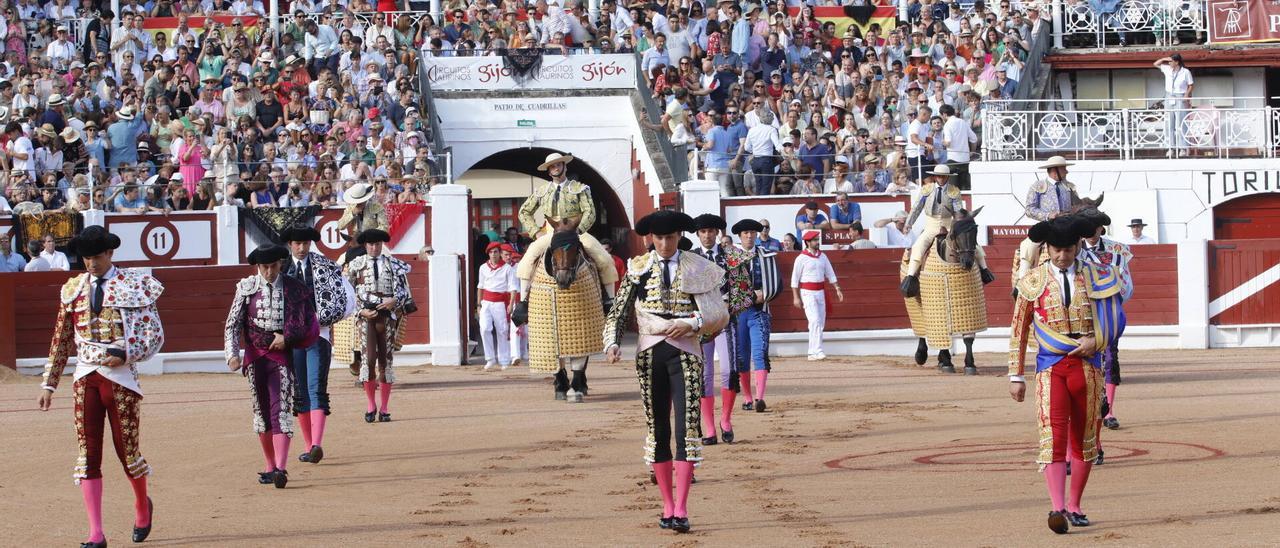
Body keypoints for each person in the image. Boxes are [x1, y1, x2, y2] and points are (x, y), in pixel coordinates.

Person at [603, 210, 729, 534]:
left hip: (685, 353)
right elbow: (618, 310)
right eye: (658, 238)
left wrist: (692, 323)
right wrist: (611, 343)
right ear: (650, 239)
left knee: (686, 426)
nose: (663, 244)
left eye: (669, 238)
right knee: (657, 427)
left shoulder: (698, 267)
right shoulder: (638, 267)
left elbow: (719, 314)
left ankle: (683, 507)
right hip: (649, 355)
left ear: (679, 237)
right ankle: (667, 505)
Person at [38, 226, 164, 546]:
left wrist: (125, 353)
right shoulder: (74, 288)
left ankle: (141, 505)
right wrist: (49, 384)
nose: (91, 263)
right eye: (86, 258)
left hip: (120, 378)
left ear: (110, 254)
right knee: (88, 454)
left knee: (127, 452)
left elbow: (154, 336)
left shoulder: (133, 285)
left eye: (96, 257)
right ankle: (96, 534)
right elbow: (61, 339)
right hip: (85, 376)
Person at [1008, 216, 1126, 534]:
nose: (1063, 256)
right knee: (1053, 437)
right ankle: (1057, 507)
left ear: (1077, 247)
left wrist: (1095, 341)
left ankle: (1075, 505)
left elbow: (1116, 319)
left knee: (1084, 440)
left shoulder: (1100, 276)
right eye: (1057, 250)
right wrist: (1015, 375)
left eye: (1069, 250)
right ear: (1047, 248)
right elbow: (1019, 330)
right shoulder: (1032, 280)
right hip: (1050, 367)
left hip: (1088, 367)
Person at [224, 243, 319, 489]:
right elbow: (233, 324)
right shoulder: (246, 288)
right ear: (258, 267)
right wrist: (232, 354)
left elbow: (308, 323)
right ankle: (269, 465)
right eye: (264, 267)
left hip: (281, 358)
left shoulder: (294, 288)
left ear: (281, 264)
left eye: (273, 266)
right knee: (261, 412)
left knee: (281, 410)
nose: (269, 272)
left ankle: (281, 467)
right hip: (255, 357)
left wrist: (287, 337)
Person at [281, 226, 354, 465]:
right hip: (289, 339)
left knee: (316, 387)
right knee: (300, 390)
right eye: (297, 244)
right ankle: (308, 445)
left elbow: (346, 298)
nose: (302, 249)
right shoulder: (279, 268)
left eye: (306, 244)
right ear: (290, 244)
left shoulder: (325, 266)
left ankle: (316, 444)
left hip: (318, 334)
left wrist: (324, 319)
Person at [690, 214, 753, 445]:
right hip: (701, 323)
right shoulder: (691, 259)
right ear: (697, 234)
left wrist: (730, 307)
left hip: (727, 321)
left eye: (711, 231)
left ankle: (725, 420)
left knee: (728, 371)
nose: (707, 235)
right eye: (703, 231)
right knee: (705, 376)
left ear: (717, 233)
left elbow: (746, 291)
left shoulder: (732, 256)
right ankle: (709, 428)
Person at [346, 229, 412, 423]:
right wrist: (360, 311)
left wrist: (394, 301)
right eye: (371, 244)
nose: (374, 248)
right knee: (368, 360)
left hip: (387, 316)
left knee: (385, 361)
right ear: (365, 246)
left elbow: (404, 291)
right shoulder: (356, 265)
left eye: (378, 244)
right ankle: (370, 404)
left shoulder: (393, 265)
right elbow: (348, 295)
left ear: (382, 245)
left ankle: (384, 408)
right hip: (366, 317)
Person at [1077, 213, 1134, 434]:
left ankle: (1108, 411)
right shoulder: (1073, 250)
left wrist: (1112, 302)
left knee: (1110, 357)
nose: (1092, 231)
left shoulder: (1118, 251)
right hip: (1081, 313)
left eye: (1096, 226)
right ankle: (1087, 411)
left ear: (1102, 228)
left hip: (1108, 312)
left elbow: (1127, 284)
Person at [901, 164, 993, 296]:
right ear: (935, 176)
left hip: (949, 224)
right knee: (917, 247)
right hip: (931, 226)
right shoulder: (926, 190)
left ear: (947, 177)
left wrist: (961, 222)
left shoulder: (954, 191)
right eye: (939, 176)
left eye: (943, 176)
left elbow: (958, 212)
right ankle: (910, 278)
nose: (941, 178)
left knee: (974, 246)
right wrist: (908, 223)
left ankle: (984, 270)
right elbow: (916, 208)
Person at [731, 218, 783, 412]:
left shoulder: (766, 256)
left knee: (760, 353)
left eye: (752, 233)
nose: (749, 236)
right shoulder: (731, 258)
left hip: (759, 312)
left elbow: (778, 284)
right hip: (738, 314)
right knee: (742, 357)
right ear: (740, 236)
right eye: (746, 233)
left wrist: (767, 294)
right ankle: (747, 397)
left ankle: (759, 398)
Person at [1020, 156, 1082, 278]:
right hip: (1047, 226)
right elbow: (1029, 209)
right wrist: (1048, 215)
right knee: (1028, 246)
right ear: (1055, 170)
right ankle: (1021, 281)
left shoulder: (1070, 187)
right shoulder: (1038, 186)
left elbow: (1077, 206)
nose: (1066, 171)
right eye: (1064, 168)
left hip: (1068, 225)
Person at [791, 230, 843, 361]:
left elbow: (830, 273)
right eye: (814, 240)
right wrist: (796, 297)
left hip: (820, 292)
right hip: (807, 292)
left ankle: (812, 352)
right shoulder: (801, 258)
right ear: (808, 242)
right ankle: (817, 350)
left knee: (820, 321)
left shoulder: (823, 256)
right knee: (815, 320)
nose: (817, 242)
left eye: (817, 239)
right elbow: (794, 279)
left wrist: (837, 288)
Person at [518, 152, 595, 238]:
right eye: (553, 167)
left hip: (576, 232)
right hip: (550, 233)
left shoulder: (579, 188)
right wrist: (536, 232)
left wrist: (579, 229)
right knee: (531, 252)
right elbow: (524, 212)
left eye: (559, 165)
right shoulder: (541, 191)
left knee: (599, 251)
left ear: (565, 167)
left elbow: (590, 211)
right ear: (549, 172)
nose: (557, 169)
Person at [476, 241, 517, 370]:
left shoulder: (507, 268)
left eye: (496, 252)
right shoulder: (483, 267)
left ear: (500, 254)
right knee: (484, 328)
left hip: (500, 302)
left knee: (502, 330)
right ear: (488, 254)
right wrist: (478, 304)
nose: (493, 255)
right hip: (486, 302)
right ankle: (490, 358)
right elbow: (480, 287)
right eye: (491, 252)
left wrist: (511, 304)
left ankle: (504, 360)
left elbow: (513, 288)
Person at [1154, 54, 1193, 156]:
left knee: (1181, 123)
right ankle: (1170, 147)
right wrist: (1163, 58)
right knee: (1169, 123)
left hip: (1180, 96)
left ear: (1177, 62)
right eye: (1169, 61)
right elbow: (1155, 64)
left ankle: (1183, 148)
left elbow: (1191, 85)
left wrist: (1186, 95)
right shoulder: (1167, 69)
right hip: (1169, 96)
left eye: (1171, 61)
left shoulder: (1185, 72)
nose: (1169, 63)